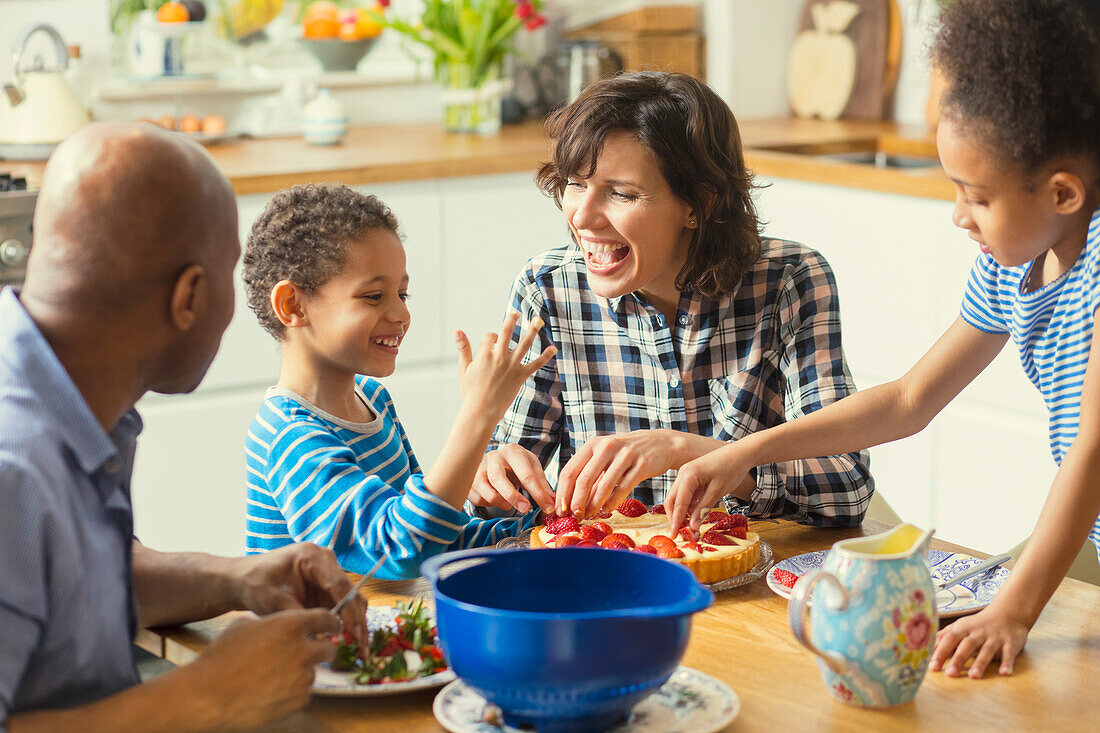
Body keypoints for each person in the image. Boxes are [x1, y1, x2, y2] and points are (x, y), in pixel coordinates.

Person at [664, 0, 1100, 679]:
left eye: (976, 195)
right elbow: (908, 398)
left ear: (1063, 193)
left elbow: (1093, 451)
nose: (958, 214)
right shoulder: (1011, 262)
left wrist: (1013, 610)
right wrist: (743, 450)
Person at [0, 122, 369, 731]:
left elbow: (61, 581)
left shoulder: (69, 403)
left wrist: (238, 577)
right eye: (228, 275)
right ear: (189, 297)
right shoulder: (15, 469)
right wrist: (208, 696)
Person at [468, 71, 873, 526]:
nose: (581, 217)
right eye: (575, 184)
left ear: (699, 205)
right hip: (610, 578)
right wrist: (491, 477)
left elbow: (845, 487)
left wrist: (699, 455)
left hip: (752, 579)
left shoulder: (788, 282)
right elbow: (498, 503)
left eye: (622, 193)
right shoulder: (547, 288)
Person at [240, 184, 556, 579]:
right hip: (312, 639)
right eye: (374, 296)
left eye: (403, 294)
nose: (400, 314)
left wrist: (547, 529)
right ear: (293, 305)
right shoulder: (288, 438)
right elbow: (400, 547)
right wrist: (478, 414)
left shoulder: (373, 400)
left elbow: (439, 536)